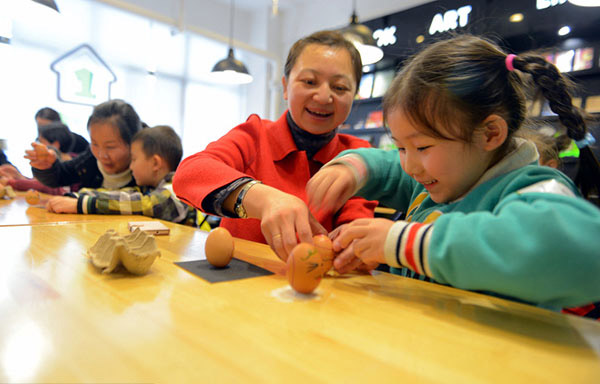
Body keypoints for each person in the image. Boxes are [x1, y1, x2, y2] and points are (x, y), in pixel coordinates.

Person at [306, 35, 600, 310]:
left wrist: (406, 242)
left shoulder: (533, 188)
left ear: (490, 134)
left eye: (422, 147)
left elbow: (582, 255)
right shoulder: (440, 177)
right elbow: (388, 166)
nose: (409, 165)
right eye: (401, 147)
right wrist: (354, 168)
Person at [173, 30, 377, 260]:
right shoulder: (255, 134)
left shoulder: (357, 157)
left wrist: (353, 246)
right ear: (285, 86)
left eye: (340, 87)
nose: (323, 96)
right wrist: (263, 199)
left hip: (317, 289)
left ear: (354, 96)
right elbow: (189, 173)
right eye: (309, 81)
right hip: (234, 284)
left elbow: (356, 227)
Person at [46, 125, 209, 228]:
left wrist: (83, 204)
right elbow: (124, 194)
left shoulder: (177, 189)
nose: (130, 166)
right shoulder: (149, 188)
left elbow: (147, 205)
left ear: (155, 163)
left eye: (134, 159)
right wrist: (79, 196)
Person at [27, 99, 141, 190]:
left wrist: (82, 203)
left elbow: (144, 202)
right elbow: (61, 175)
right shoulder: (90, 158)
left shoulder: (148, 167)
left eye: (110, 147)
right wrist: (47, 167)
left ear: (133, 142)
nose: (101, 155)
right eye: (95, 144)